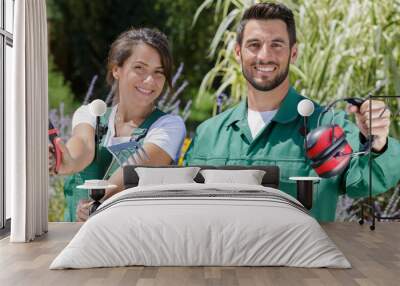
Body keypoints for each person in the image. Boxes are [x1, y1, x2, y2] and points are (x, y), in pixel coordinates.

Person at [184, 2, 400, 221]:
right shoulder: (208, 134)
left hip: (301, 256)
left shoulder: (328, 125)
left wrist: (376, 142)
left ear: (293, 53)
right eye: (254, 45)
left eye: (276, 44)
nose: (264, 56)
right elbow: (186, 206)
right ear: (239, 53)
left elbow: (366, 182)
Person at [49, 28, 186, 222]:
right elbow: (84, 146)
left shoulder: (169, 126)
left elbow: (136, 167)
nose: (150, 81)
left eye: (159, 72)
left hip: (131, 245)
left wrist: (99, 202)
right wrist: (67, 160)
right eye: (139, 68)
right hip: (71, 240)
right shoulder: (90, 113)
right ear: (116, 70)